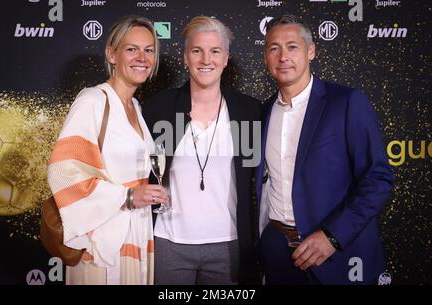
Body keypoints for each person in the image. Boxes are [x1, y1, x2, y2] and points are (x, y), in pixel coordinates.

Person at [256, 15, 394, 284]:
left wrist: (333, 236)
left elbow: (378, 179)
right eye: (274, 48)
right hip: (277, 254)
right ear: (265, 57)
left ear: (311, 51)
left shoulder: (346, 102)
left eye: (292, 46)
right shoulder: (262, 113)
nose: (283, 56)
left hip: (337, 255)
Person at [47, 15, 169, 285]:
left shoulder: (135, 108)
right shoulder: (92, 101)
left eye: (149, 50)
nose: (142, 57)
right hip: (102, 241)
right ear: (112, 54)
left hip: (136, 232)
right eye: (131, 49)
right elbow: (62, 172)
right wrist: (127, 196)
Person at [142, 16, 261, 285]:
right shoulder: (159, 107)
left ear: (226, 58)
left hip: (228, 244)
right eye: (197, 51)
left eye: (215, 51)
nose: (206, 59)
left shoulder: (248, 111)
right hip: (169, 242)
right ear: (185, 58)